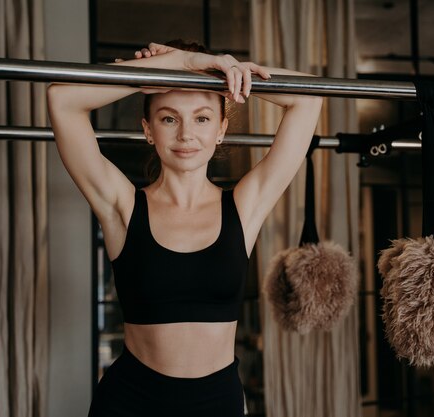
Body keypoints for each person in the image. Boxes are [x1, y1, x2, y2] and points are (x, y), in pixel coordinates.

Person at [47, 40, 322, 416]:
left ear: (221, 129)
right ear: (148, 129)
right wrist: (177, 62)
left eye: (202, 118)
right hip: (131, 401)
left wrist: (228, 71)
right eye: (169, 118)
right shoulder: (123, 207)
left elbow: (308, 97)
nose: (186, 135)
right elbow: (62, 98)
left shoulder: (244, 207)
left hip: (217, 403)